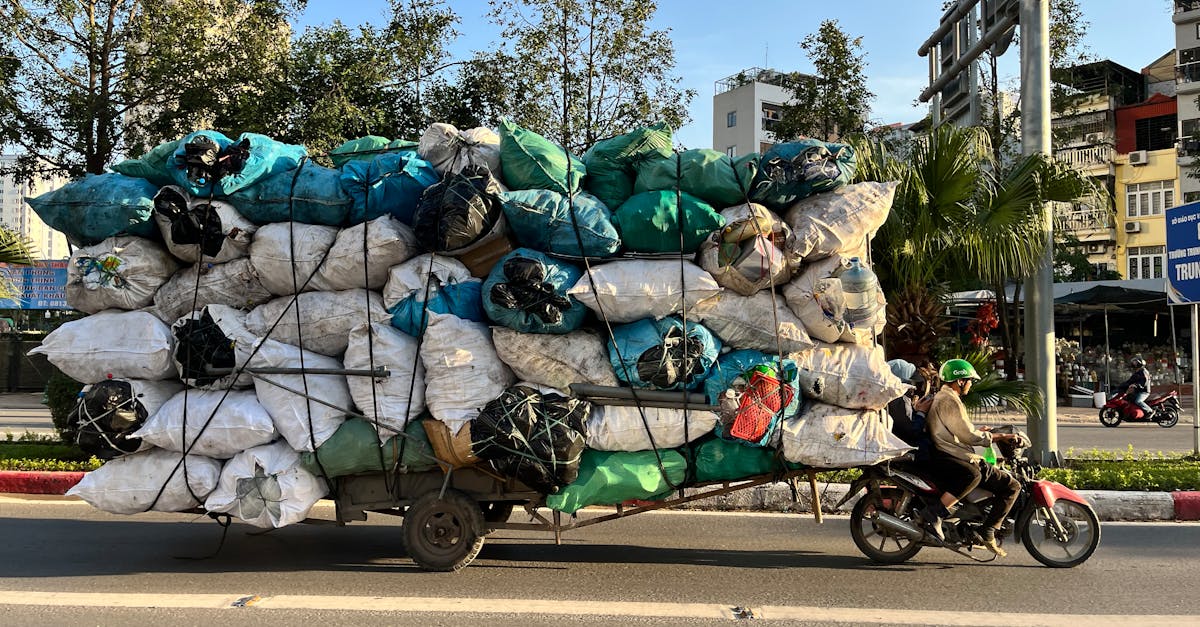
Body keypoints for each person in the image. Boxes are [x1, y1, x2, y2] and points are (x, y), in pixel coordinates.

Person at [918, 358, 1020, 557]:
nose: (971, 384)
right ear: (960, 381)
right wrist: (1000, 436)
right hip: (952, 453)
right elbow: (968, 436)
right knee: (1008, 485)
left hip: (950, 450)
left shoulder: (945, 397)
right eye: (970, 380)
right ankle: (980, 528)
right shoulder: (949, 399)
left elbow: (959, 430)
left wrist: (980, 431)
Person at [886, 359, 935, 461]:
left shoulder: (890, 397)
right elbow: (911, 431)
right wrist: (921, 413)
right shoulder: (899, 399)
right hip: (909, 452)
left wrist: (915, 410)